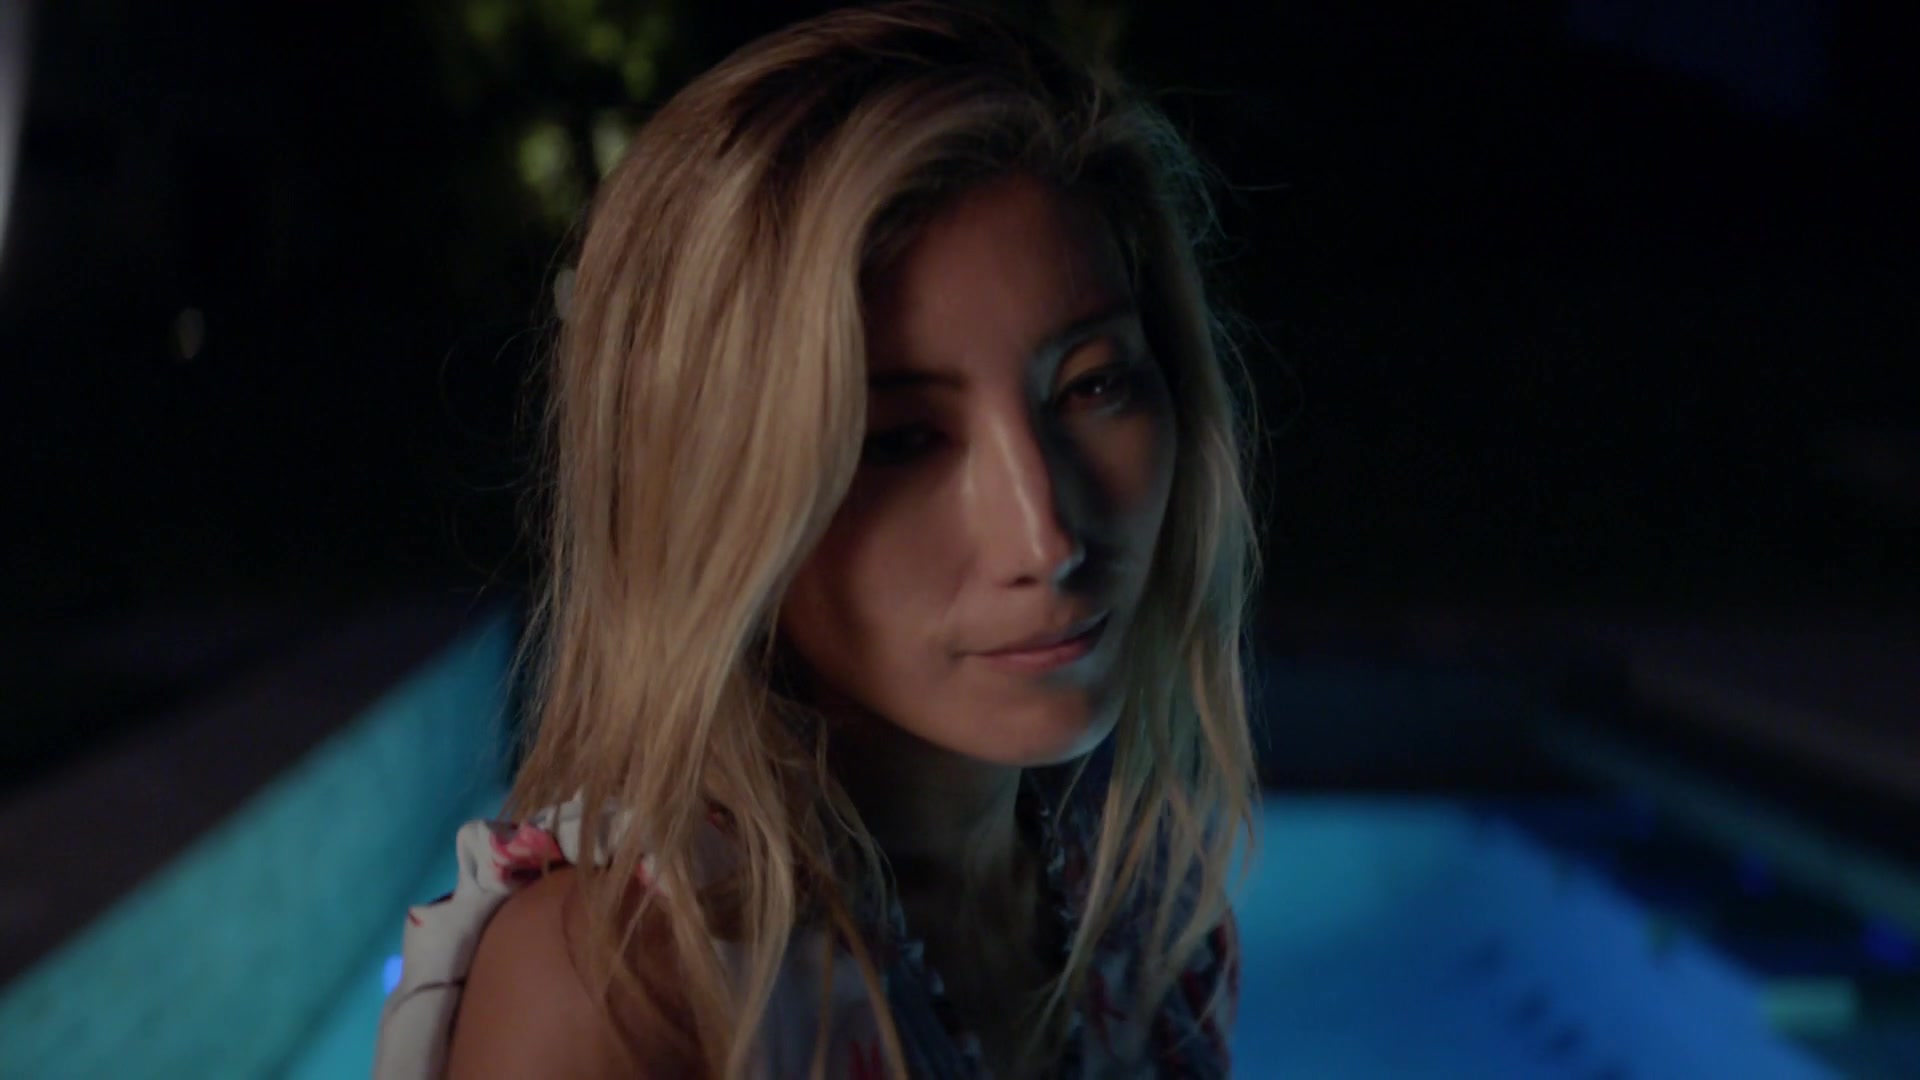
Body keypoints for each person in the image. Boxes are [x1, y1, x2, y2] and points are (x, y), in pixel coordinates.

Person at [374, 2, 1259, 1076]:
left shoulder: (1142, 916)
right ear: (718, 498)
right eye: (900, 440)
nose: (1046, 535)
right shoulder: (625, 990)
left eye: (1094, 385)